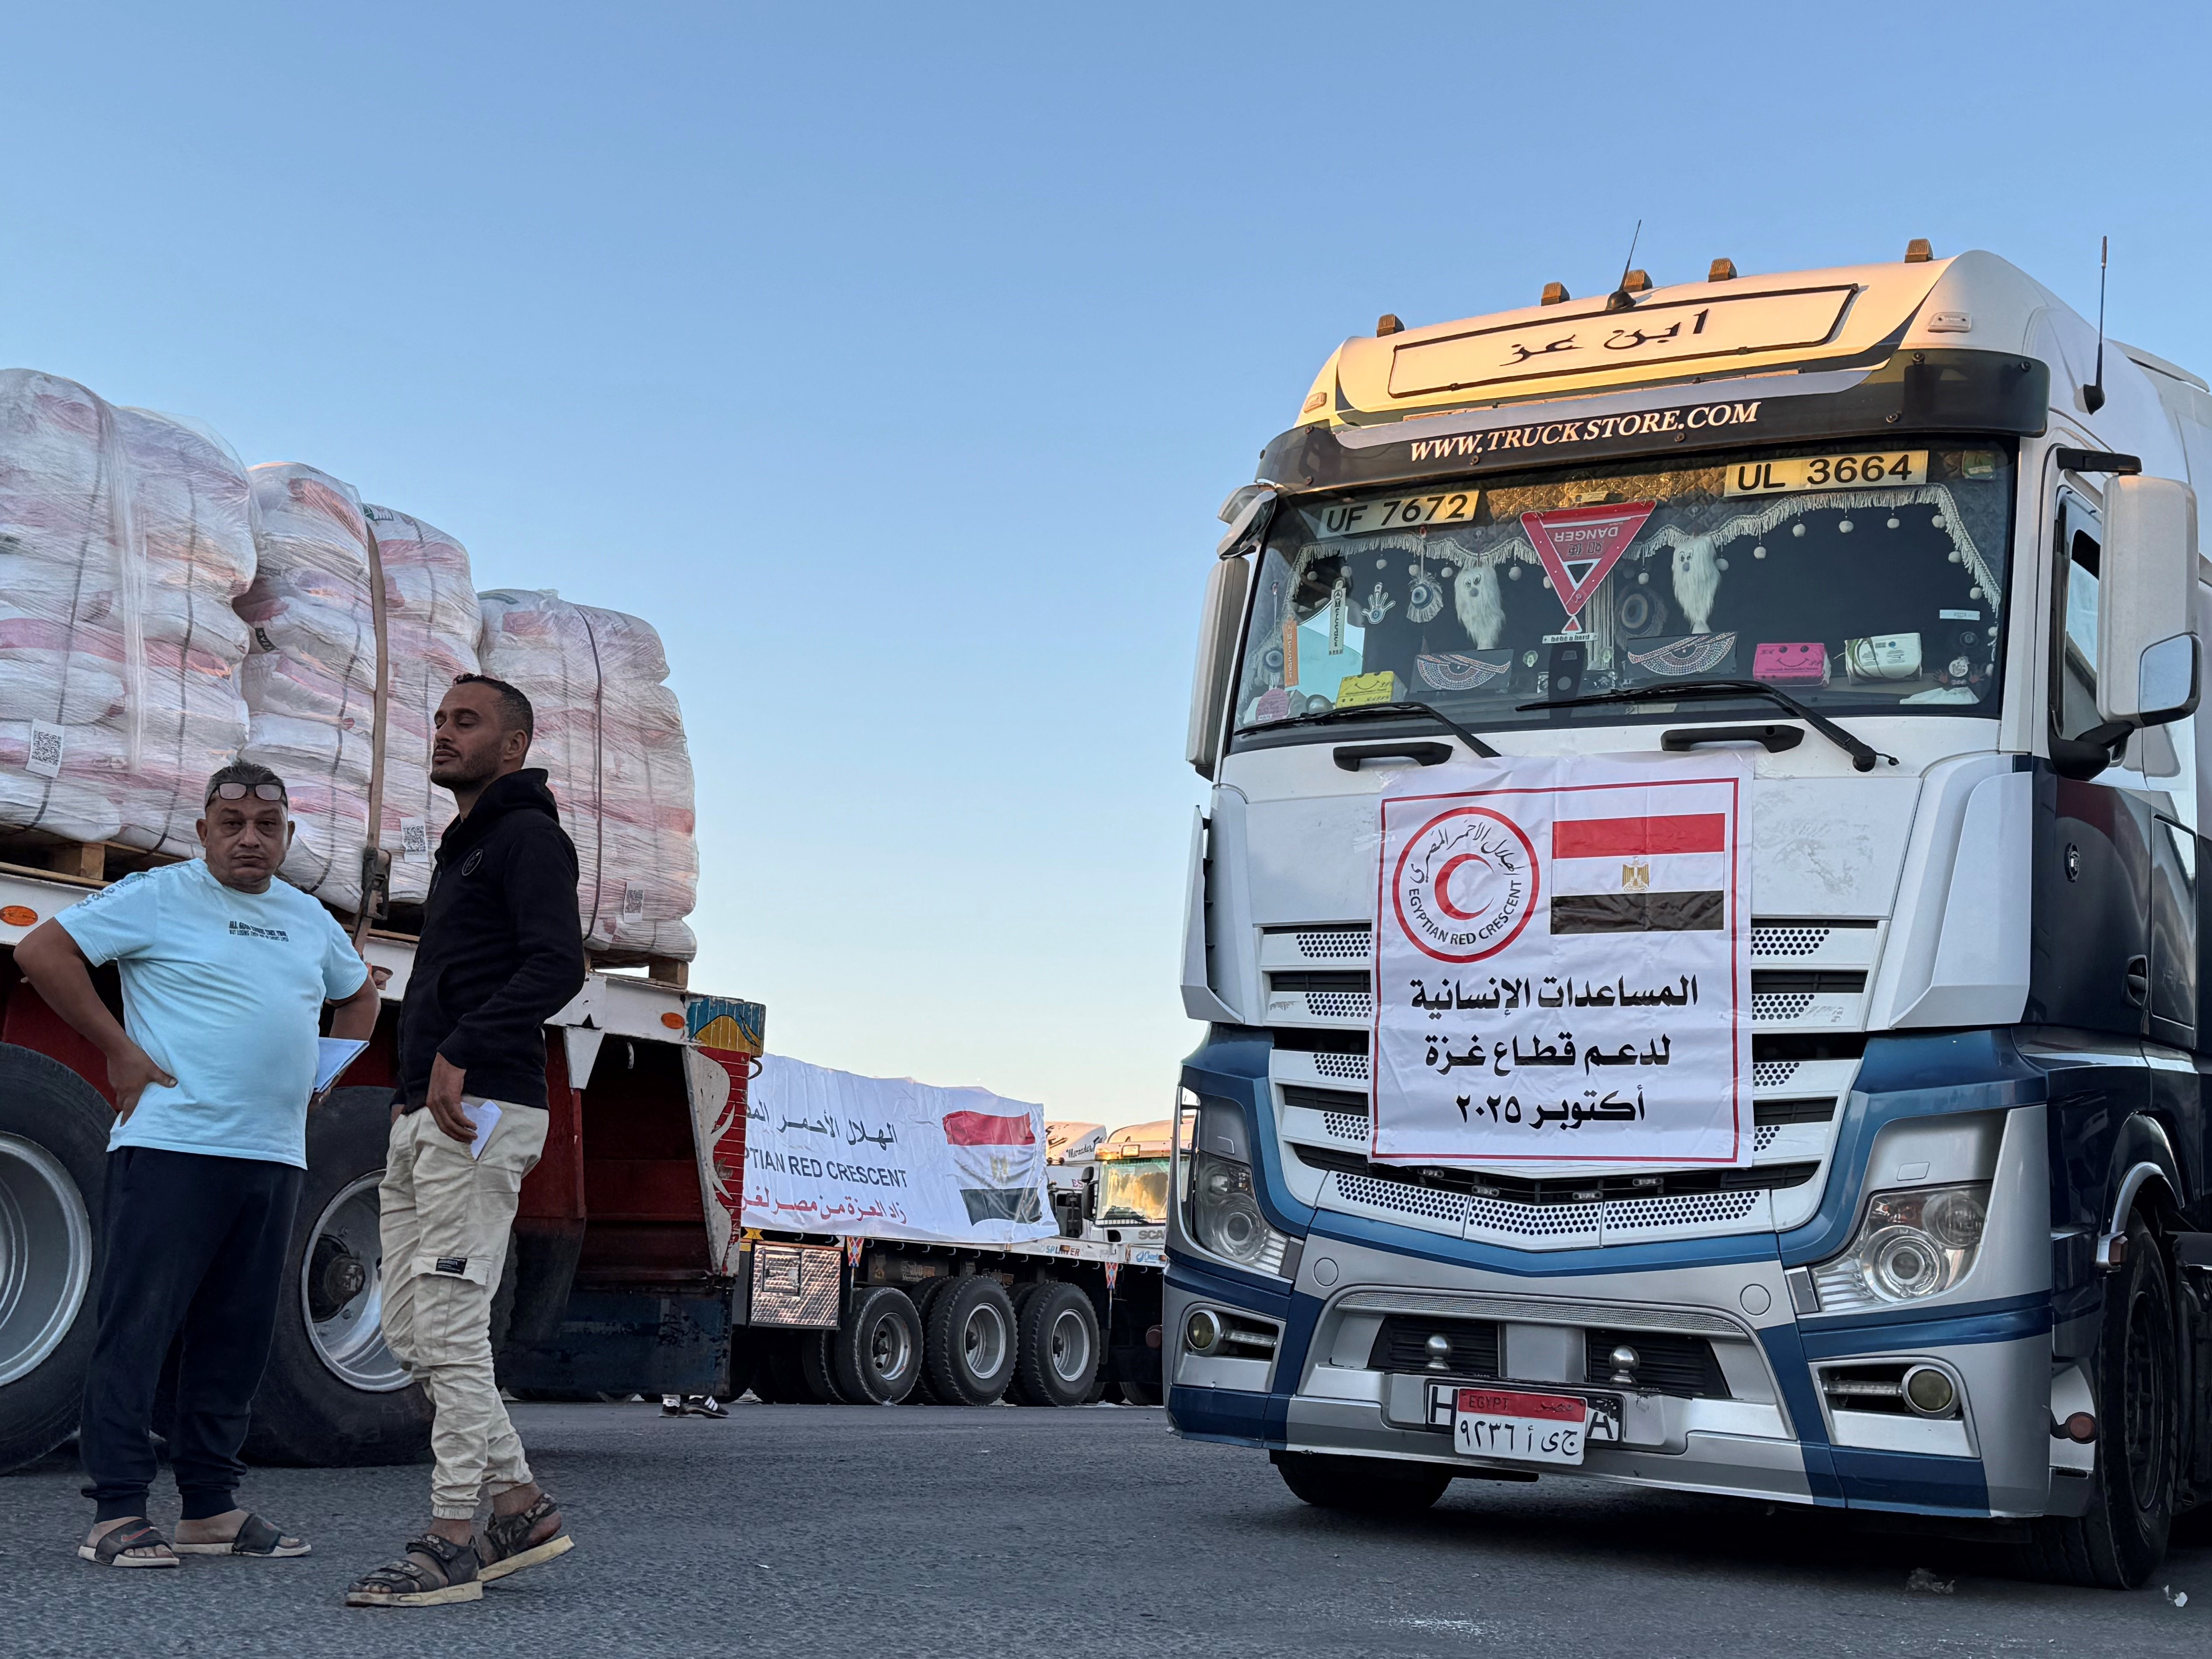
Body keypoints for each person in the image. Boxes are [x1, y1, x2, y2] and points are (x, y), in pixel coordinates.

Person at [16, 762, 380, 1569]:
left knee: (236, 1337)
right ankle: (116, 1512)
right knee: (139, 1328)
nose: (251, 838)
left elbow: (360, 997)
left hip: (273, 1155)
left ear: (288, 835)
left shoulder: (307, 917)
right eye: (232, 823)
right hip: (172, 1146)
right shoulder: (160, 896)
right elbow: (44, 952)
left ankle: (210, 1509)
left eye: (268, 825)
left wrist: (323, 1075)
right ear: (203, 831)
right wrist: (118, 1051)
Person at [346, 674, 587, 1608]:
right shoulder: (466, 845)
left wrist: (460, 1048)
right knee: (410, 1334)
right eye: (440, 719)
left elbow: (557, 963)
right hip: (427, 1115)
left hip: (480, 1107)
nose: (443, 733)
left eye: (467, 721)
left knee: (449, 1324)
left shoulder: (529, 836)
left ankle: (452, 1538)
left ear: (514, 745)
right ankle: (521, 1504)